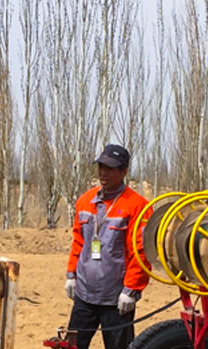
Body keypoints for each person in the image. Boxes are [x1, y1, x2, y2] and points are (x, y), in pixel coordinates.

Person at [65, 144, 149, 349]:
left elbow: (141, 252)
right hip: (85, 295)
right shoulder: (85, 201)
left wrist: (131, 290)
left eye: (110, 168)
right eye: (101, 166)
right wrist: (71, 275)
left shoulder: (137, 206)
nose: (103, 172)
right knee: (72, 345)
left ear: (124, 172)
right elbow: (78, 241)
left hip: (116, 299)